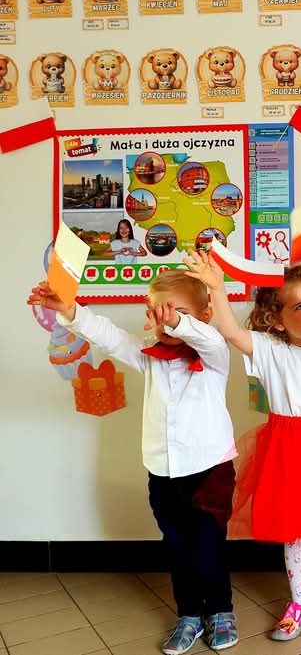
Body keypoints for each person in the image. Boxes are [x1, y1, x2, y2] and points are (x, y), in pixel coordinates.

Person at [28, 270, 238, 655]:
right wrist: (70, 309)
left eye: (175, 313)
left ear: (203, 315)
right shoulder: (149, 355)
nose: (164, 322)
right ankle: (189, 614)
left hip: (210, 470)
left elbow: (207, 339)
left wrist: (178, 322)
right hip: (163, 472)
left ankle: (220, 610)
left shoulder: (214, 354)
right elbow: (107, 335)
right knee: (177, 547)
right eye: (157, 313)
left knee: (207, 546)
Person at [182, 251, 301, 646]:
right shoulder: (270, 349)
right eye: (299, 305)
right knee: (293, 535)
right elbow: (231, 332)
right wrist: (217, 289)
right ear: (277, 319)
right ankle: (299, 605)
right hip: (286, 453)